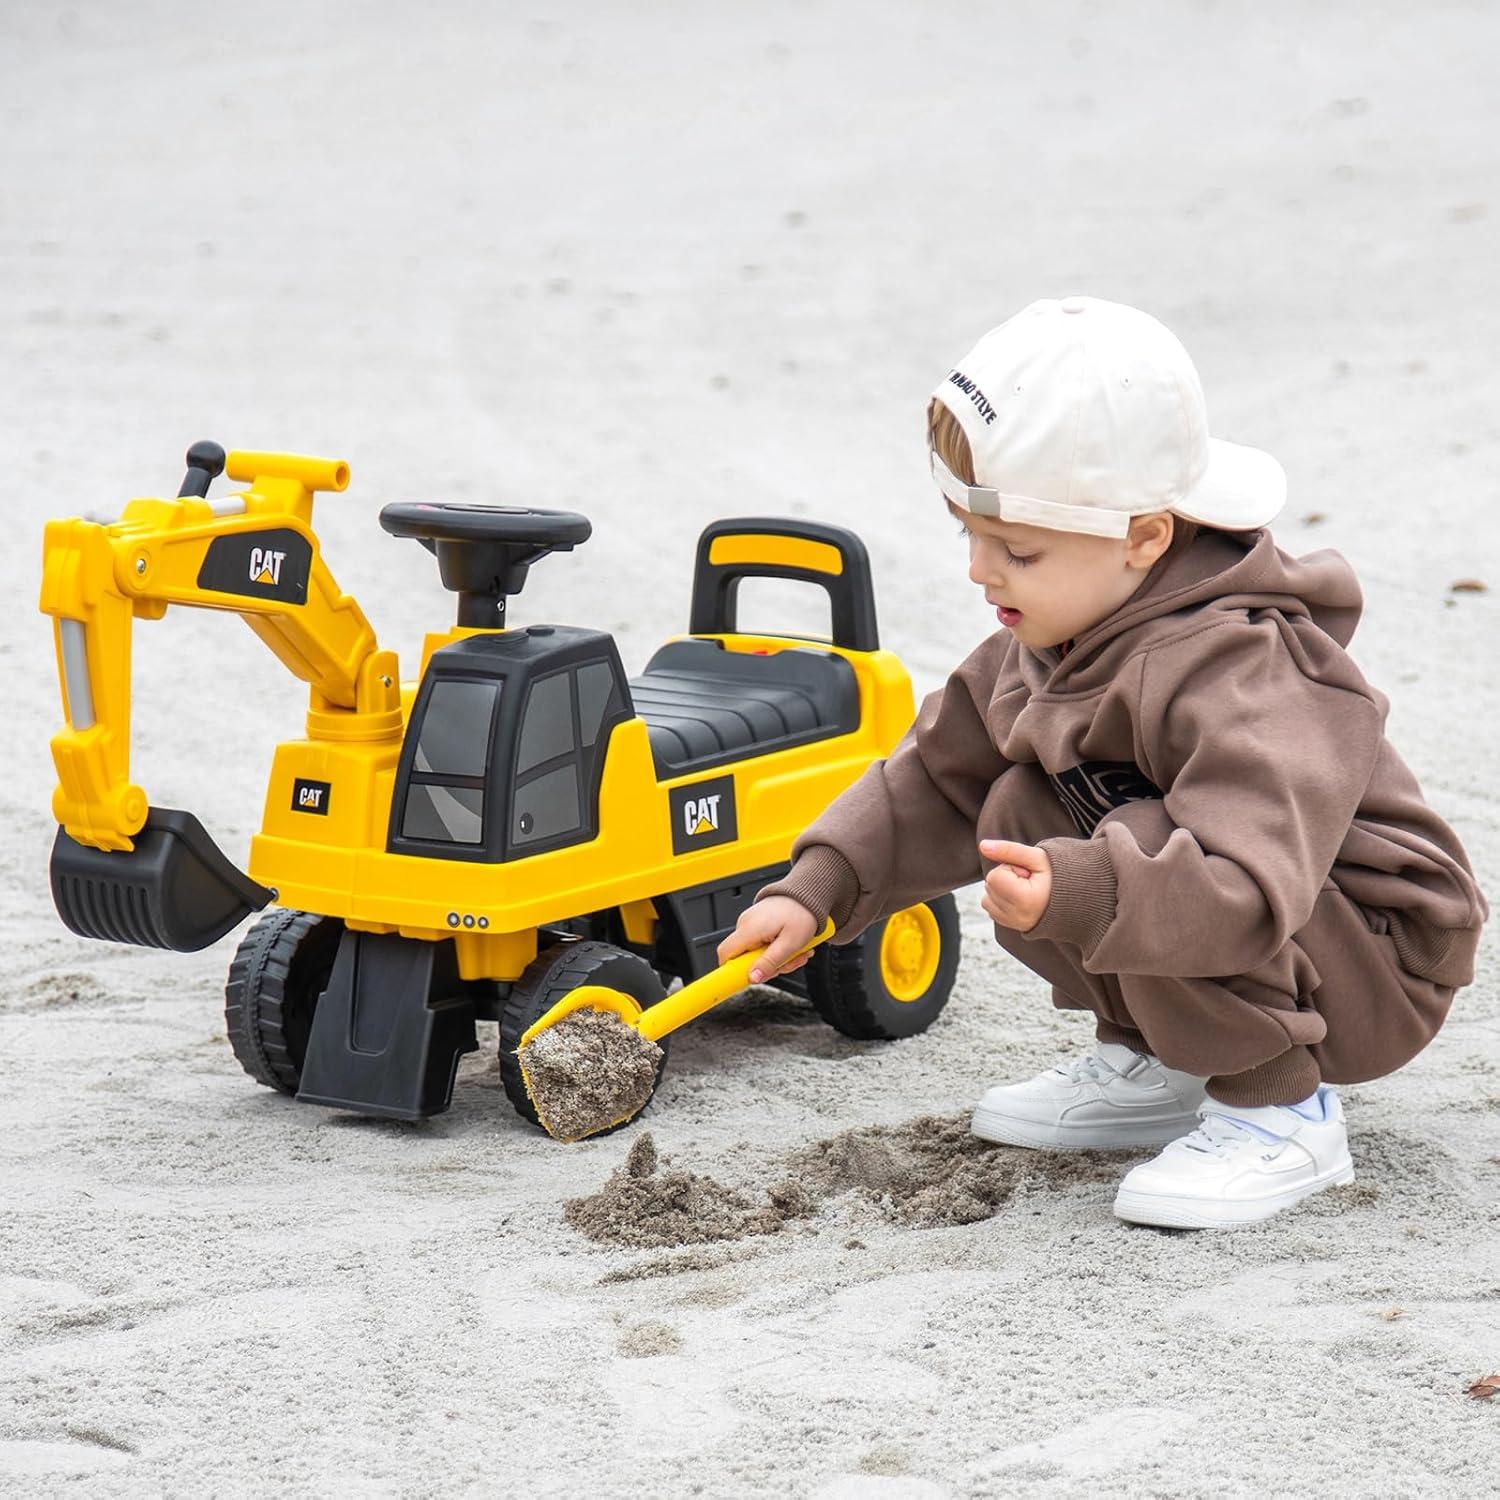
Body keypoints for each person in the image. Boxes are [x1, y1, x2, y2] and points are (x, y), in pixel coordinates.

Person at [715, 294, 1489, 1230]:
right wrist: (819, 886)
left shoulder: (1245, 666)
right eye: (971, 535)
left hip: (1366, 953)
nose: (979, 570)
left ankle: (1281, 1107)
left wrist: (1086, 889)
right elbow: (935, 776)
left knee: (1115, 843)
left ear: (1144, 538)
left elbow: (1247, 880)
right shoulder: (1061, 629)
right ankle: (1164, 1055)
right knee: (1019, 802)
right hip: (1256, 918)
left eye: (1020, 549)